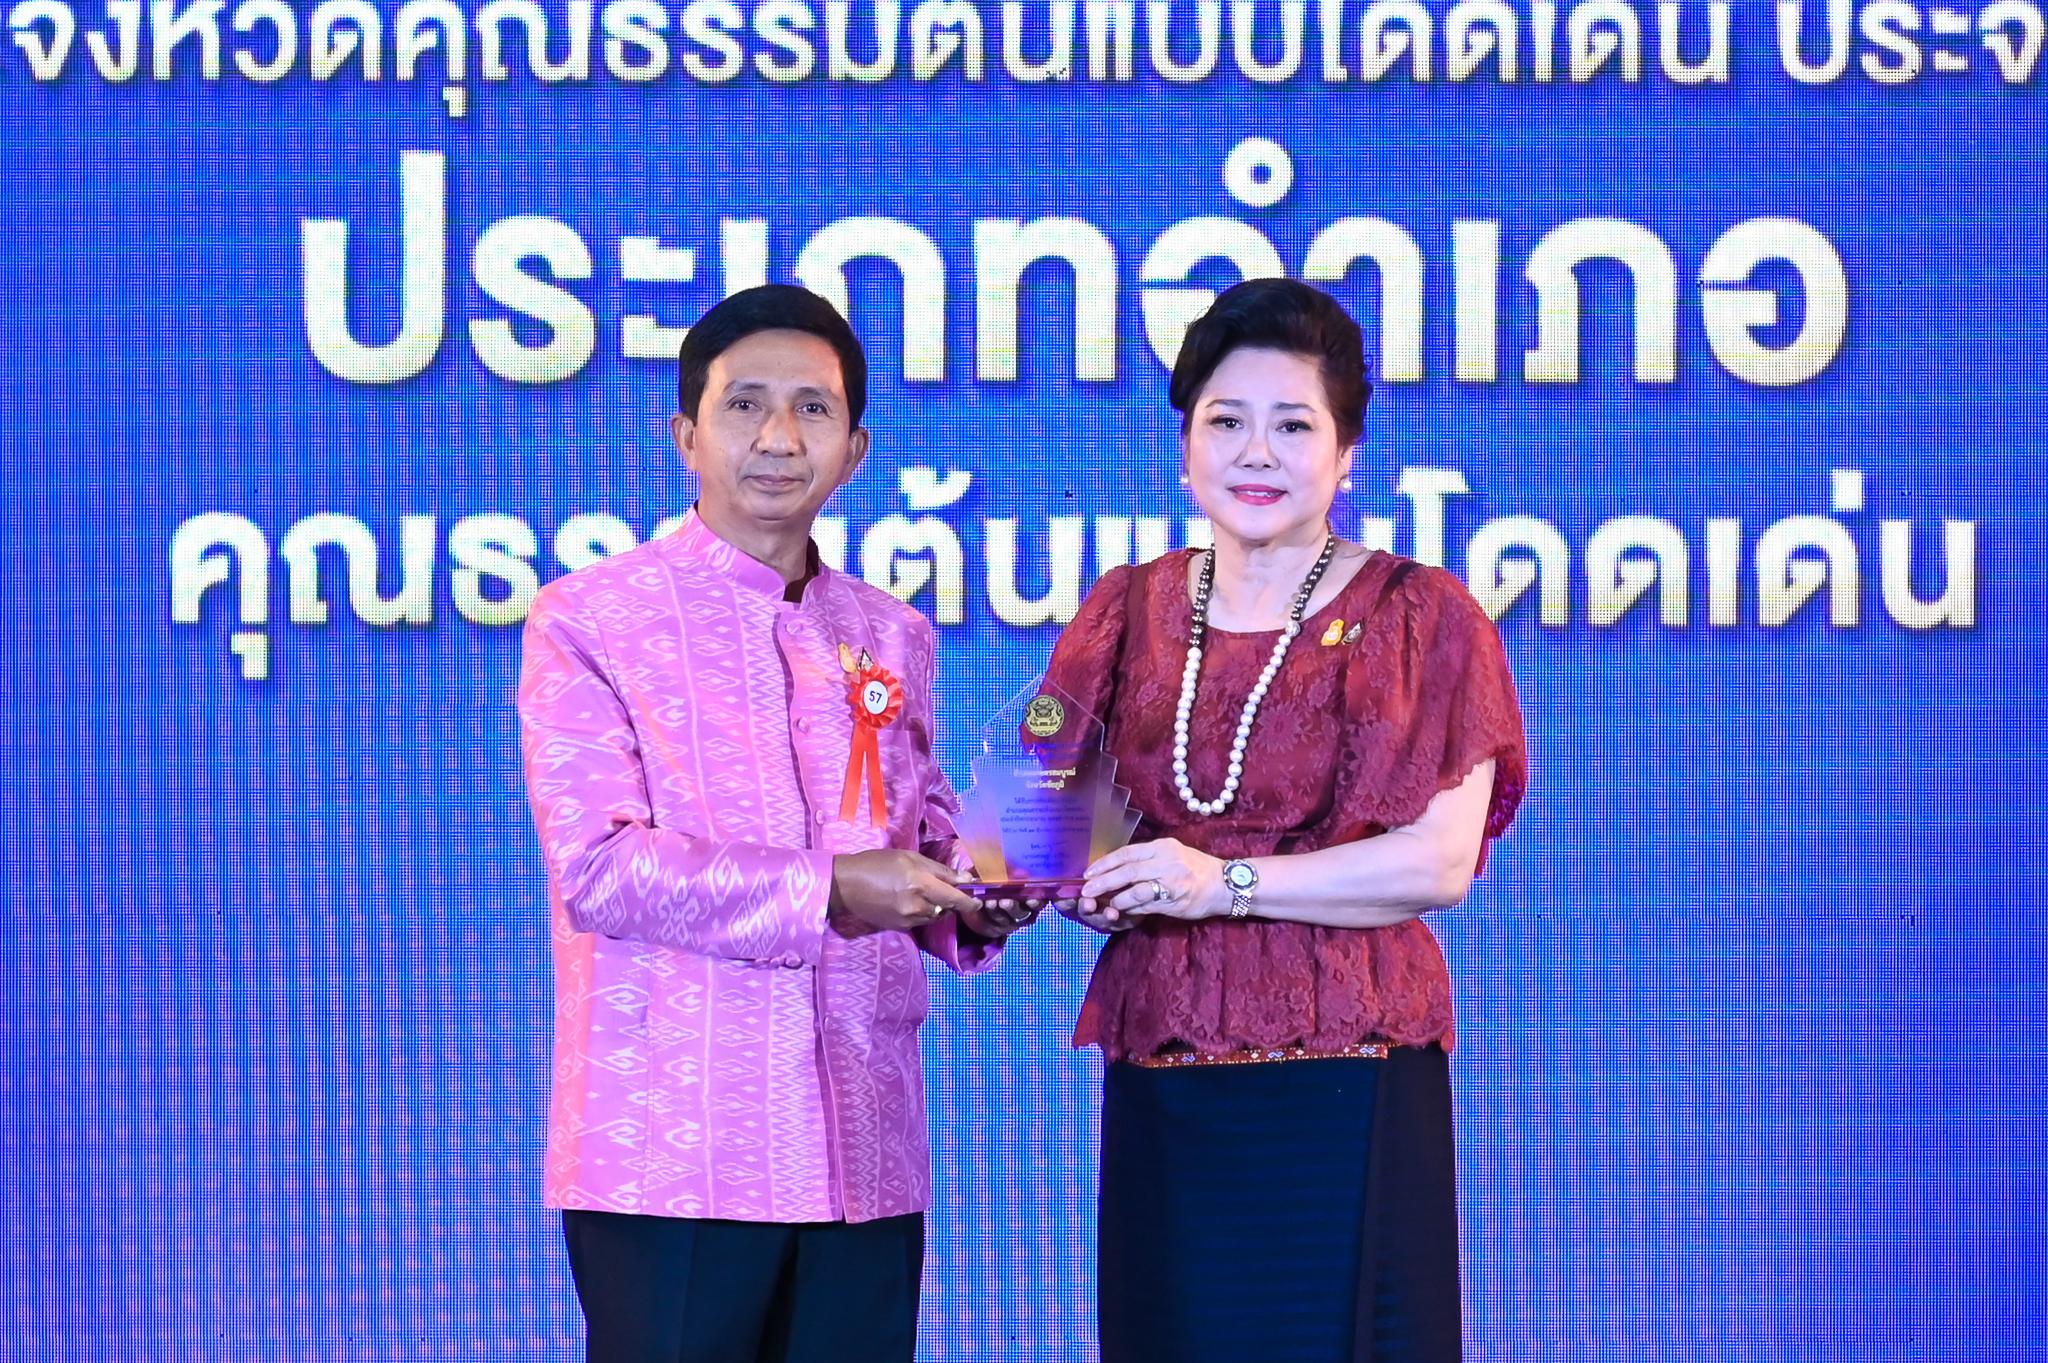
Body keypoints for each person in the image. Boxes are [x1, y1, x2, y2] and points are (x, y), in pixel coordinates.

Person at [517, 284, 1031, 1363]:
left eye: (813, 409)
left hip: (864, 1145)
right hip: (674, 1155)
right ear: (686, 436)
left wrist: (986, 888)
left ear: (854, 451)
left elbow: (922, 829)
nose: (779, 437)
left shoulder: (889, 632)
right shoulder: (591, 617)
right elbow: (601, 868)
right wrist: (834, 888)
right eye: (745, 405)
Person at [1043, 278, 1528, 1363]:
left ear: (1346, 453)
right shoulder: (1123, 609)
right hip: (1167, 1077)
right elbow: (1030, 821)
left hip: (1349, 1071)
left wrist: (1219, 882)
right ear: (1184, 447)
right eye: (1225, 422)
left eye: (1293, 426)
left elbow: (1439, 861)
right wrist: (1072, 881)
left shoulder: (1421, 615)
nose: (1254, 453)